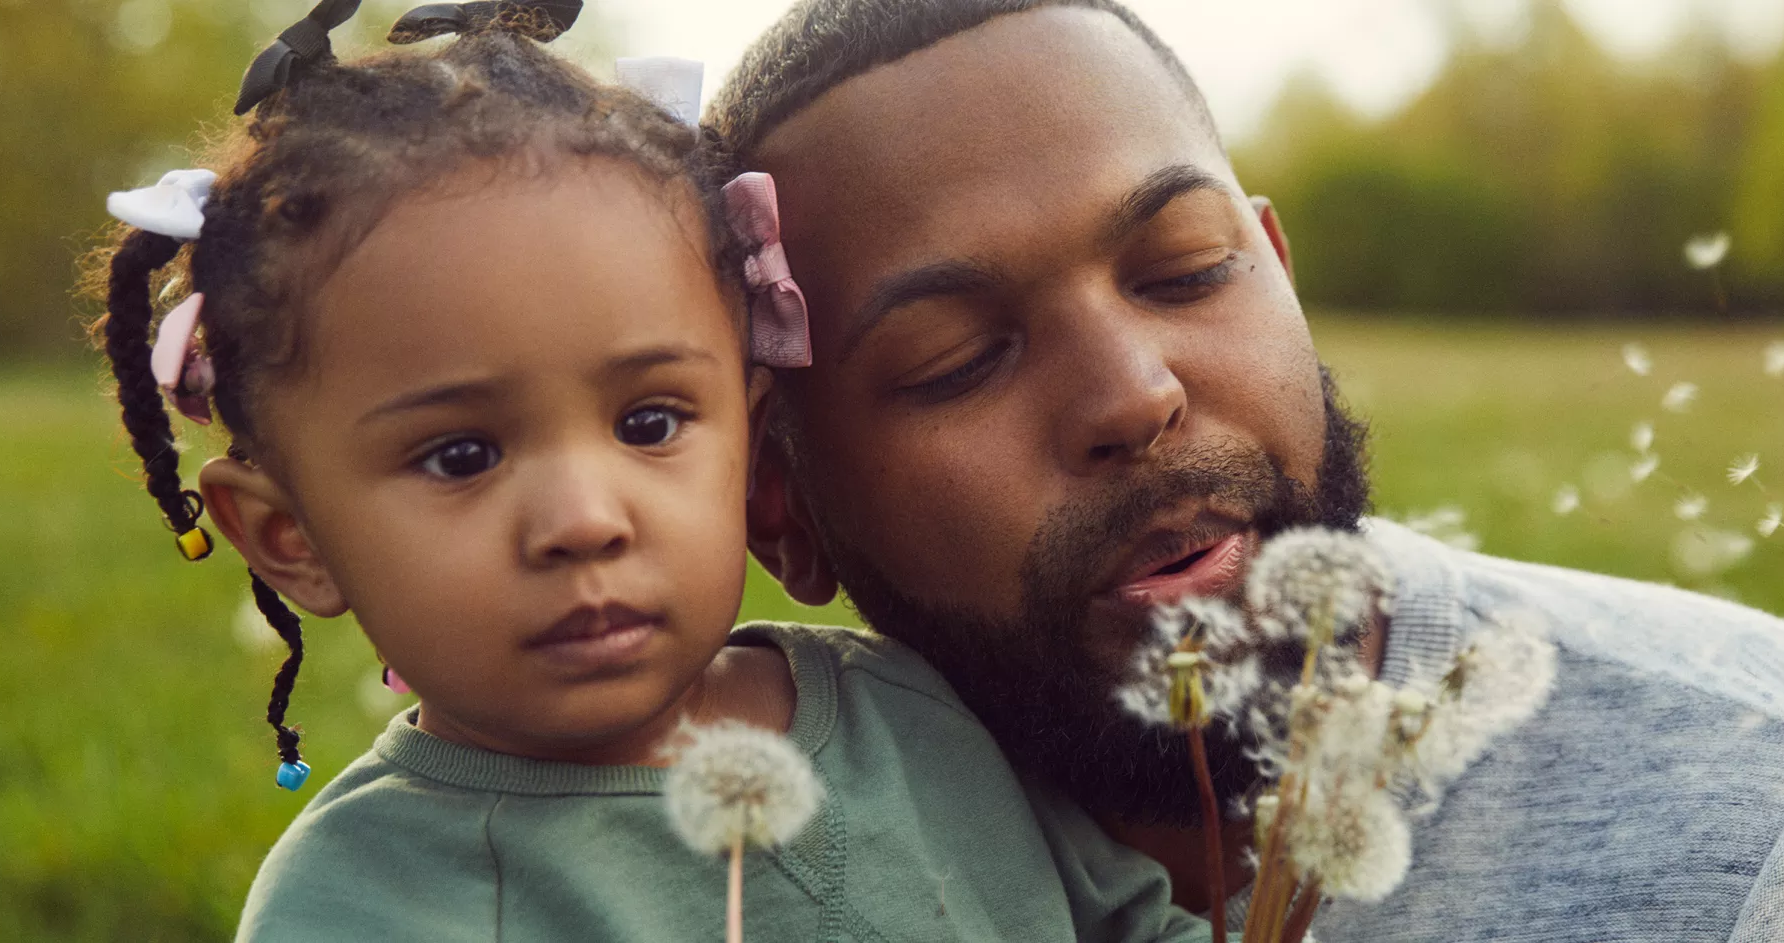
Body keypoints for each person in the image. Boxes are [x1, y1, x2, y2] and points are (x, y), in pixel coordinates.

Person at [709, 1, 1784, 938]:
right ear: (784, 508)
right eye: (959, 355)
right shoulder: (678, 868)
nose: (1137, 394)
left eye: (1186, 270)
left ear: (1280, 272)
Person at [91, 2, 1216, 940]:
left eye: (648, 422)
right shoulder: (364, 901)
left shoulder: (912, 714)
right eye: (462, 454)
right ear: (291, 537)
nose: (584, 519)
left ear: (754, 449)